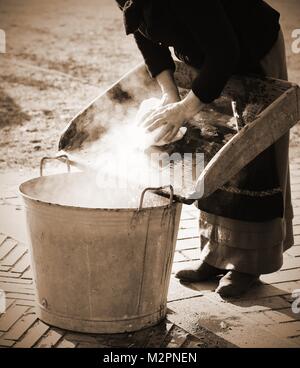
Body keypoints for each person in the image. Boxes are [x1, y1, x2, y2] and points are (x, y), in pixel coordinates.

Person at [115, 0, 294, 297]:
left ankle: (248, 265)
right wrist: (170, 95)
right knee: (210, 146)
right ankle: (215, 256)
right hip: (207, 54)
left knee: (252, 154)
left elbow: (226, 51)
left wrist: (186, 108)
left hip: (250, 48)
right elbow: (143, 32)